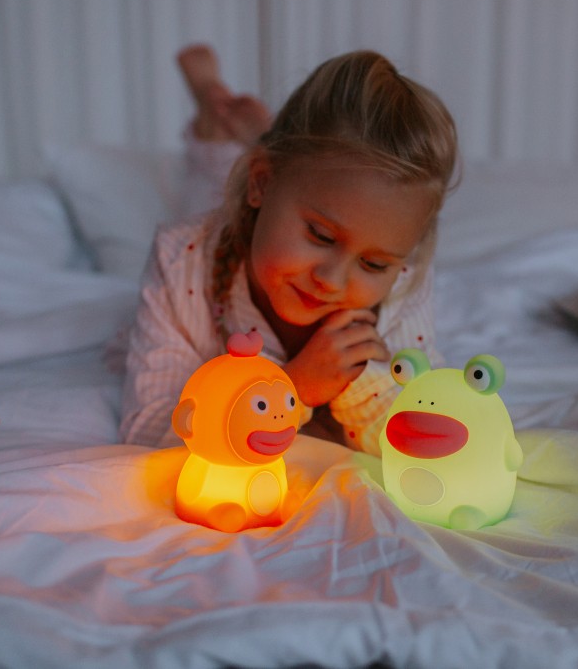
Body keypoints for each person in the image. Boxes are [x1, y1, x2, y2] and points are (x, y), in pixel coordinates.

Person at [120, 44, 460, 455]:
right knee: (208, 192)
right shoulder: (183, 260)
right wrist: (292, 390)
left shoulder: (403, 277)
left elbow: (422, 423)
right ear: (261, 182)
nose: (331, 280)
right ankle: (216, 110)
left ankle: (253, 133)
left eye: (372, 264)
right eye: (320, 235)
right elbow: (149, 431)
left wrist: (366, 391)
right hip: (233, 214)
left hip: (276, 180)